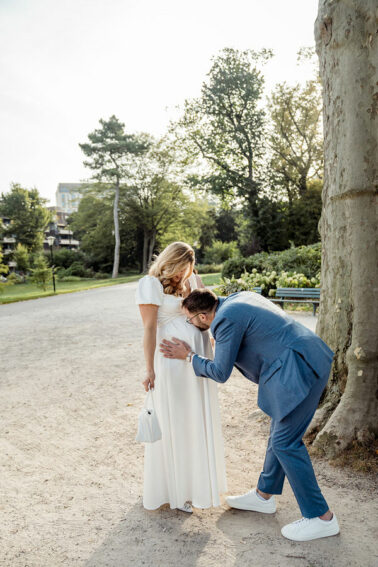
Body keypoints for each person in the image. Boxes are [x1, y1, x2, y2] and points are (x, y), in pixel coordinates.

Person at [159, 288, 340, 541]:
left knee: (284, 443)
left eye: (189, 319)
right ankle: (263, 496)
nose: (190, 323)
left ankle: (322, 518)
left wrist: (189, 356)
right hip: (305, 358)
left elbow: (220, 373)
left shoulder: (224, 319)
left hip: (299, 368)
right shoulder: (237, 299)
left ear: (202, 317)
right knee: (279, 435)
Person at [135, 242, 227, 513]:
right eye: (178, 271)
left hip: (197, 358)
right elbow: (150, 328)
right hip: (172, 362)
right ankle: (176, 489)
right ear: (169, 263)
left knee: (196, 417)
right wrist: (149, 368)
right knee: (177, 419)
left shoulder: (191, 281)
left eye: (186, 271)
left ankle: (198, 483)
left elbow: (206, 314)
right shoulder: (149, 284)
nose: (181, 277)